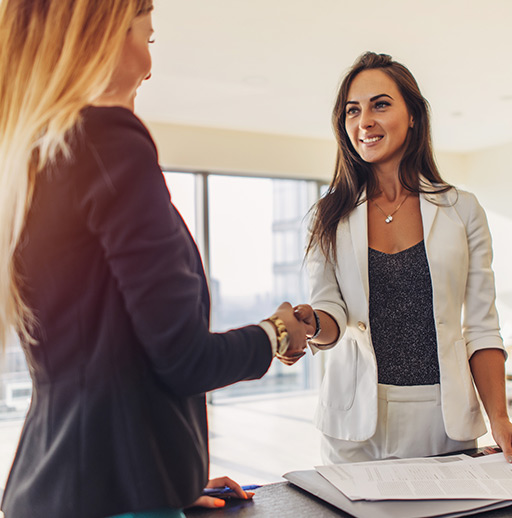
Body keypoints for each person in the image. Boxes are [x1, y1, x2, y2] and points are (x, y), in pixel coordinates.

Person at [0, 2, 312, 517]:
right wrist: (276, 333)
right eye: (146, 39)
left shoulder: (29, 156)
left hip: (54, 491)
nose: (148, 66)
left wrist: (163, 475)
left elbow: (101, 361)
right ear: (100, 35)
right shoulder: (109, 138)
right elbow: (184, 359)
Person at [293, 51, 512, 464]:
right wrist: (311, 323)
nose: (365, 121)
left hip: (442, 419)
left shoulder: (462, 209)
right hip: (352, 422)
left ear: (413, 115)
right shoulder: (328, 216)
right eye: (352, 110)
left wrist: (499, 417)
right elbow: (331, 315)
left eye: (381, 104)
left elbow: (482, 326)